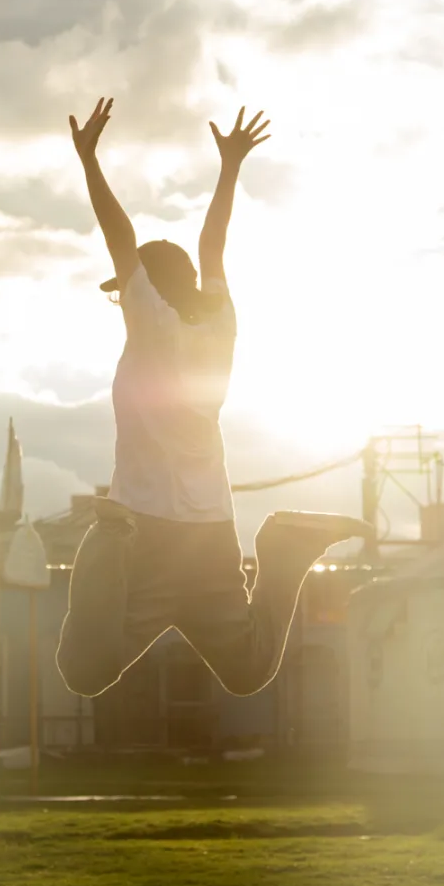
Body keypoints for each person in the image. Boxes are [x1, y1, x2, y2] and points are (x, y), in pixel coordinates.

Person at [55, 96, 373, 699]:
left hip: (145, 535)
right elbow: (213, 247)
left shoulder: (151, 323)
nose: (121, 299)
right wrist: (230, 168)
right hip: (209, 534)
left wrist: (90, 162)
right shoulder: (221, 325)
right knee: (250, 670)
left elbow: (119, 236)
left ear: (147, 286)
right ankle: (281, 547)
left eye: (125, 290)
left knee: (83, 672)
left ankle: (104, 540)